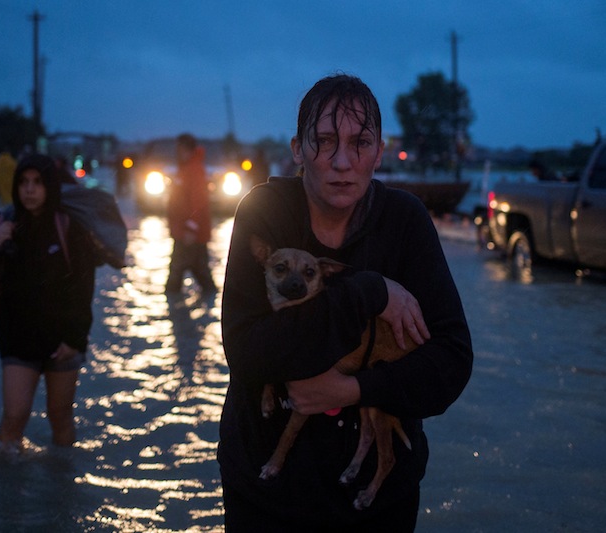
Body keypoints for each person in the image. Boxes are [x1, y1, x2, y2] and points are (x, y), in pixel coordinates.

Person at [219, 74, 473, 531]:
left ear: (379, 151)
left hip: (377, 509)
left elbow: (451, 361)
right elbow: (247, 351)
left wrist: (355, 390)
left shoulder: (405, 222)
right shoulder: (264, 211)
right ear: (298, 149)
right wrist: (370, 291)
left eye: (360, 143)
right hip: (265, 497)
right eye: (324, 141)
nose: (341, 161)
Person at [0, 153, 97, 451]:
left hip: (63, 341)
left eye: (38, 183)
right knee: (14, 417)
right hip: (18, 339)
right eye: (24, 182)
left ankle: (62, 486)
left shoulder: (69, 227)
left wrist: (74, 338)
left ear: (50, 187)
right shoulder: (1, 223)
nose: (29, 190)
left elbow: (83, 287)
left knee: (61, 417)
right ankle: (5, 488)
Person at [165, 133, 217, 293]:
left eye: (179, 148)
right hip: (186, 232)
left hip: (189, 234)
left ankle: (175, 310)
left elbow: (198, 200)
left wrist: (191, 228)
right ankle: (212, 304)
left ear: (187, 149)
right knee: (199, 272)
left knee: (177, 274)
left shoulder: (194, 170)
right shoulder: (187, 168)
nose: (177, 152)